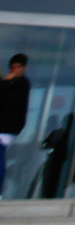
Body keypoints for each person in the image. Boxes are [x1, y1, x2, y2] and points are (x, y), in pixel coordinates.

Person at [0, 53, 28, 194]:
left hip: (7, 127)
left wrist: (5, 82)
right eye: (12, 68)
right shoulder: (14, 83)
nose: (14, 70)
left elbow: (8, 100)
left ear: (23, 68)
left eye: (17, 67)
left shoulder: (21, 83)